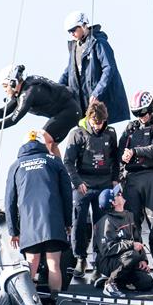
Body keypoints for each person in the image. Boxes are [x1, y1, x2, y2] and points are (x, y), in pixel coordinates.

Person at [5, 131, 73, 295]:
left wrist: (13, 231)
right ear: (42, 143)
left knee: (31, 264)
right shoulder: (55, 162)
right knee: (53, 264)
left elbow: (10, 201)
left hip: (29, 224)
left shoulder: (16, 165)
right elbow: (67, 194)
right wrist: (67, 222)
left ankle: (30, 301)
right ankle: (55, 300)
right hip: (53, 221)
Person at [117, 90, 153, 281]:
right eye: (136, 113)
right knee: (133, 223)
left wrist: (134, 151)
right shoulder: (131, 128)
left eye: (142, 112)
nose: (140, 117)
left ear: (150, 109)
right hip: (132, 178)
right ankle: (139, 263)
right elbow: (120, 150)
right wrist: (123, 159)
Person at [63, 100, 119, 276]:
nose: (98, 126)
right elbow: (68, 162)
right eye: (95, 123)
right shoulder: (77, 134)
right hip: (83, 185)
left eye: (101, 123)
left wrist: (115, 180)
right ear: (89, 119)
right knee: (79, 222)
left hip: (103, 184)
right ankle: (80, 258)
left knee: (101, 225)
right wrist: (77, 181)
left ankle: (99, 261)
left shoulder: (110, 133)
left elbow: (115, 159)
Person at [0, 65, 81, 158]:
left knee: (43, 138)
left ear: (13, 82)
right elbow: (3, 112)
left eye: (5, 86)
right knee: (51, 145)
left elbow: (13, 119)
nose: (4, 90)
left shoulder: (28, 93)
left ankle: (55, 172)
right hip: (67, 111)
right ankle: (60, 174)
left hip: (69, 111)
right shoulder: (24, 88)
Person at [60, 11, 129, 125]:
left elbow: (109, 68)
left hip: (104, 107)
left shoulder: (99, 43)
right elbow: (68, 73)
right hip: (85, 108)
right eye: (69, 31)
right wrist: (56, 89)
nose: (72, 34)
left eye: (73, 30)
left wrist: (97, 93)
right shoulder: (74, 48)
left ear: (83, 25)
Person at [93, 184, 153, 298]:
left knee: (146, 283)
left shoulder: (129, 216)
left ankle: (115, 279)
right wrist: (131, 246)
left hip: (127, 258)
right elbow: (106, 249)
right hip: (107, 261)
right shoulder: (106, 222)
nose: (121, 194)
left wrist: (143, 260)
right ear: (114, 203)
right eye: (118, 194)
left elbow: (137, 240)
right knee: (133, 254)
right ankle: (110, 284)